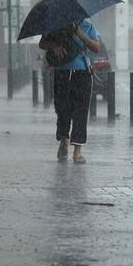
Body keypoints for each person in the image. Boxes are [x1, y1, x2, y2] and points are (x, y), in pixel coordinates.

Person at [39, 19, 101, 163]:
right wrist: (54, 45)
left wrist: (81, 34)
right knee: (62, 109)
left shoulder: (88, 26)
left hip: (82, 72)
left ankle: (78, 150)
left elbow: (96, 47)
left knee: (81, 111)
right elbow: (42, 43)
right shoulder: (56, 25)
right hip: (62, 72)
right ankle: (63, 140)